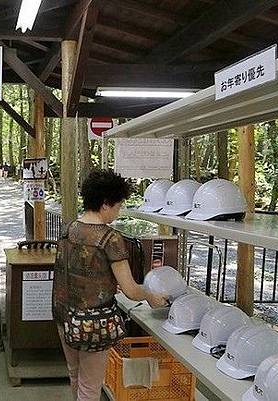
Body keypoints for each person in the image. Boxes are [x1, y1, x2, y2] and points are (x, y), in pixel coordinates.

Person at [52, 168, 167, 401]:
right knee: (90, 388)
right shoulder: (110, 238)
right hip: (91, 324)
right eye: (118, 205)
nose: (118, 210)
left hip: (63, 315)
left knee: (75, 376)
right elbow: (131, 290)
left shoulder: (68, 229)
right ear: (105, 204)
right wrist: (151, 296)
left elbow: (73, 273)